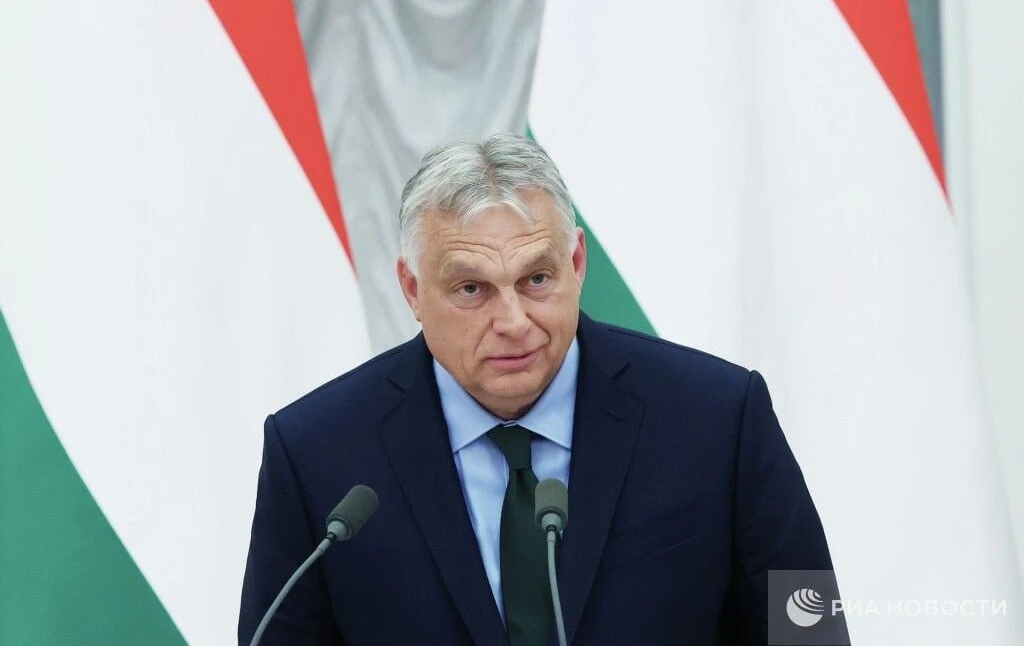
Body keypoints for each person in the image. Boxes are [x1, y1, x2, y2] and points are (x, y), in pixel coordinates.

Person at [239, 134, 842, 644]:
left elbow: (809, 630)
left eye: (536, 279)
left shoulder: (718, 418)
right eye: (471, 289)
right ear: (412, 289)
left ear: (576, 263)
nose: (513, 321)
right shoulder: (317, 454)